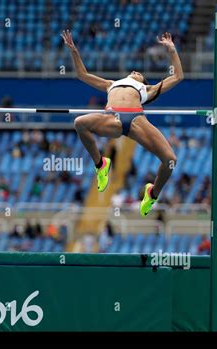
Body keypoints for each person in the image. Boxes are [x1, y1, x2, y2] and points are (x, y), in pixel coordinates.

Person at [61, 30, 183, 217]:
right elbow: (83, 75)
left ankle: (153, 193)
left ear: (142, 80)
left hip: (137, 121)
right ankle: (100, 164)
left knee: (170, 160)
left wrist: (172, 50)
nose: (135, 72)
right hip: (112, 119)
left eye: (139, 73)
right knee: (80, 123)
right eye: (133, 71)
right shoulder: (111, 84)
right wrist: (74, 51)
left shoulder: (147, 88)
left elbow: (177, 77)